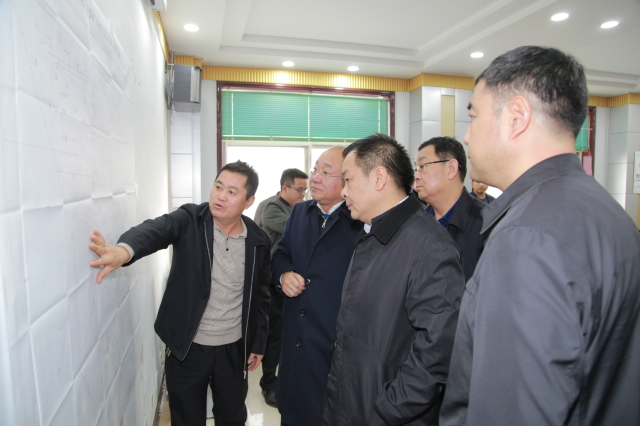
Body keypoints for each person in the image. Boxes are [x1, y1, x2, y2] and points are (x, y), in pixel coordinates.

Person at [440, 46, 640, 426]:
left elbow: (512, 410)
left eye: (474, 116)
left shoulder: (527, 237)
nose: (465, 135)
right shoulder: (606, 211)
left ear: (516, 117)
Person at [88, 161, 271, 426]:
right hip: (188, 347)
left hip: (233, 349)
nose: (220, 196)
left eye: (232, 192)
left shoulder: (258, 241)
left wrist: (258, 343)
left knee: (232, 417)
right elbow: (156, 229)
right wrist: (125, 250)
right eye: (218, 187)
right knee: (185, 418)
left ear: (249, 201)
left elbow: (261, 297)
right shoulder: (190, 219)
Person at [321, 134, 466, 426]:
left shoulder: (429, 244)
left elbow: (440, 345)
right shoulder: (372, 233)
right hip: (351, 403)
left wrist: (391, 408)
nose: (343, 191)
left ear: (378, 178)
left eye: (348, 180)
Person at [272, 146, 362, 426]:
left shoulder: (359, 221)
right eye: (315, 169)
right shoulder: (300, 212)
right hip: (295, 340)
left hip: (331, 346)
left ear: (346, 179)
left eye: (325, 172)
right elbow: (281, 254)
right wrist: (284, 275)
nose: (315, 178)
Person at [259, 168, 308, 407]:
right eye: (299, 190)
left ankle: (283, 379)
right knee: (274, 336)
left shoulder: (295, 208)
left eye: (305, 191)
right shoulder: (272, 208)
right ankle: (269, 384)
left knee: (287, 333)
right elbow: (300, 230)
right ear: (284, 188)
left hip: (288, 282)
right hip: (271, 282)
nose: (302, 195)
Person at [414, 136, 486, 281]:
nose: (416, 176)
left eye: (422, 167)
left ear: (451, 169)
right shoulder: (416, 224)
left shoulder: (486, 223)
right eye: (416, 168)